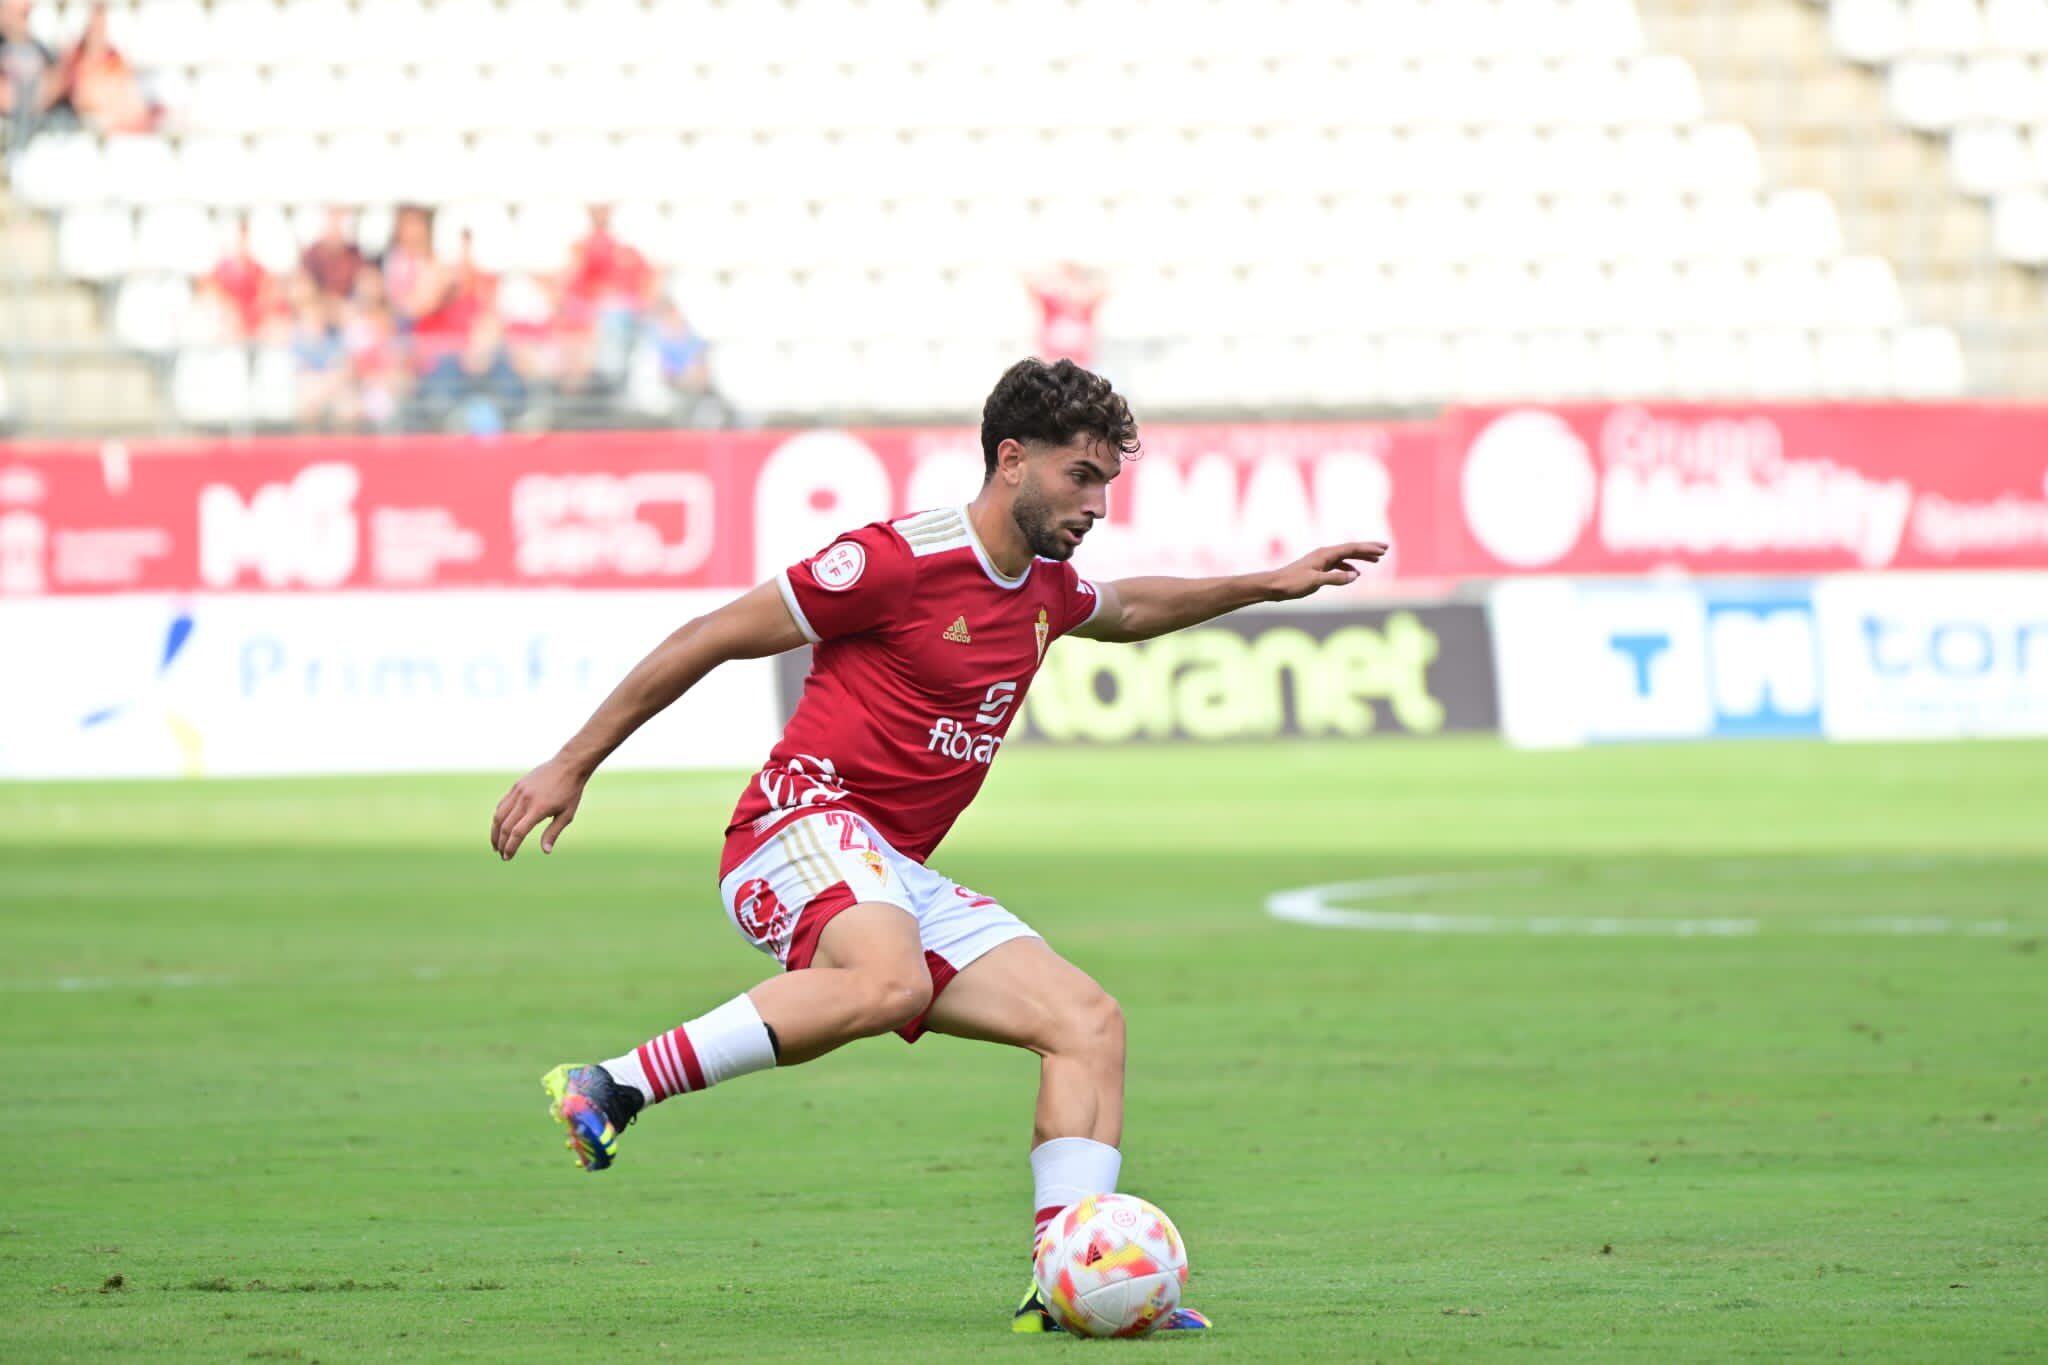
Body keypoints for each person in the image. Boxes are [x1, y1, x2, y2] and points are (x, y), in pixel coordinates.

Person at [490, 358, 1387, 1335]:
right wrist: (571, 763)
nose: (1095, 506)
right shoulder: (893, 561)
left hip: (886, 864)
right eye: (1079, 478)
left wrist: (1265, 583)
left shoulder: (1043, 589)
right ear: (1011, 461)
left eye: (1106, 486)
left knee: (1087, 1024)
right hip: (792, 822)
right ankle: (613, 1084)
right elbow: (710, 634)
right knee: (890, 980)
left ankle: (1064, 1280)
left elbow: (1126, 609)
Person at [58, 3, 152, 134]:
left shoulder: (115, 59)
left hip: (117, 125)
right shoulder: (74, 58)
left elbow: (133, 103)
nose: (98, 28)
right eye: (94, 22)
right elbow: (81, 98)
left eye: (101, 22)